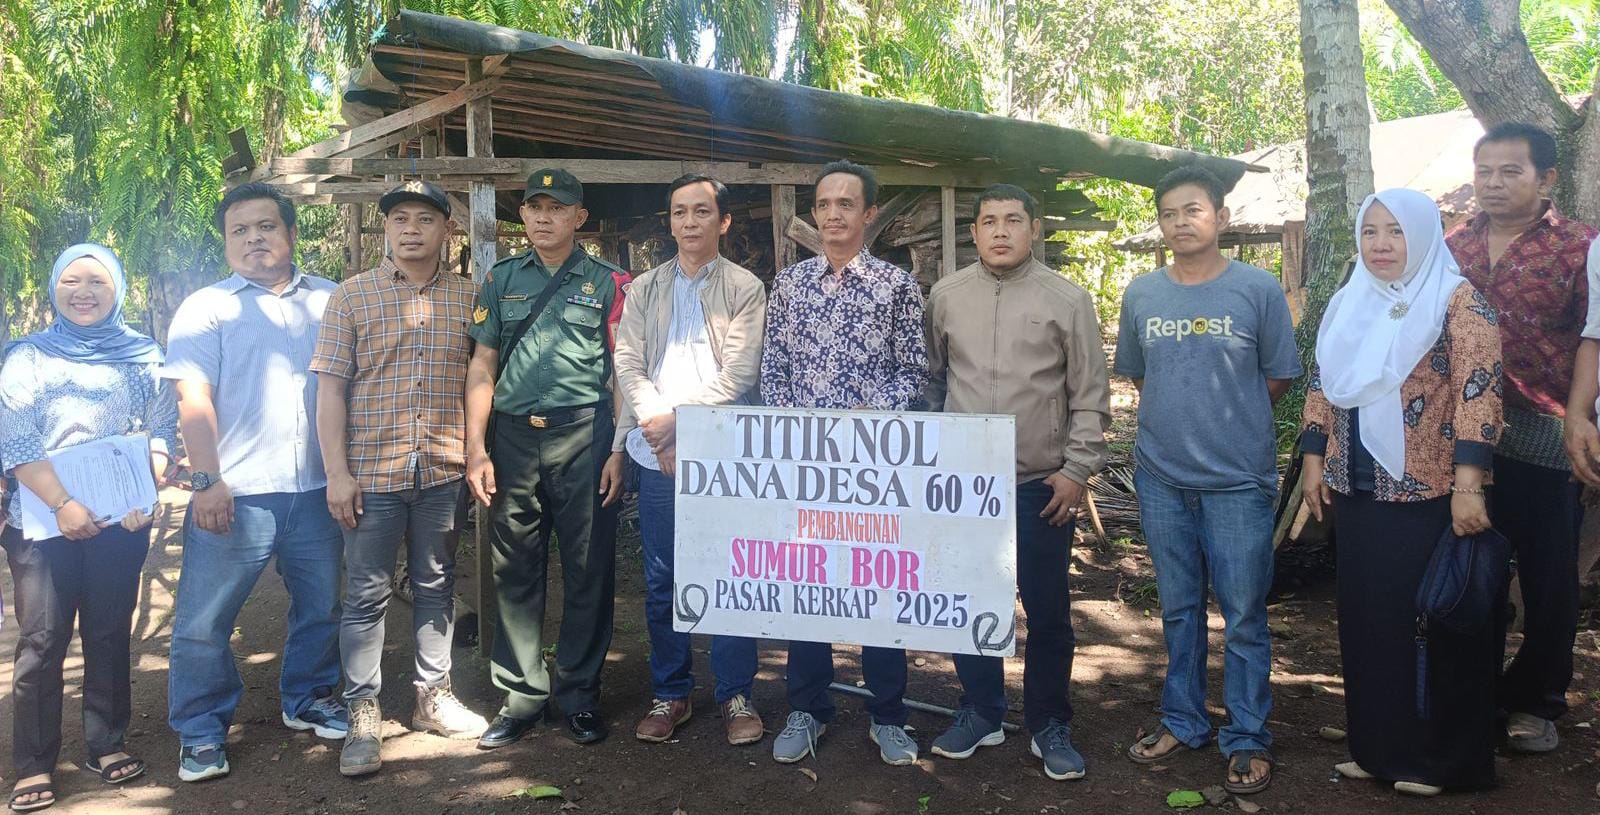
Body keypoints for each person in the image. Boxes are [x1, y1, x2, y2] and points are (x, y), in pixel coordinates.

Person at [1301, 188, 1502, 796]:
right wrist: (1314, 457)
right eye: (1371, 232)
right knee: (1368, 622)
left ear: (1423, 235)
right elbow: (1323, 380)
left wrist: (1469, 484)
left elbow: (1480, 392)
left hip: (1428, 490)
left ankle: (1438, 762)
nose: (1382, 245)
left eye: (1396, 232)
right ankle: (1378, 749)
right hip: (1358, 487)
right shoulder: (1350, 299)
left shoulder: (1457, 300)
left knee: (1432, 621)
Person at [1114, 166, 1300, 795]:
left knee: (1244, 614)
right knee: (1179, 609)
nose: (1180, 222)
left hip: (1238, 482)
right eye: (1168, 214)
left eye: (1192, 210)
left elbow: (1276, 377)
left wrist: (1230, 426)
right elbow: (1143, 379)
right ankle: (1183, 719)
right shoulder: (1142, 293)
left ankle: (1246, 735)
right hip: (1162, 478)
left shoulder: (1257, 289)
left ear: (1219, 217)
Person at [924, 184, 1110, 780]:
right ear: (973, 233)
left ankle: (1050, 721)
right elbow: (931, 382)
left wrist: (1076, 470)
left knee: (1048, 608)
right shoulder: (946, 296)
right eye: (988, 222)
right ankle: (980, 709)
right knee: (970, 603)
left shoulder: (1068, 299)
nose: (999, 231)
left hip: (1040, 485)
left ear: (1035, 229)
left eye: (1012, 220)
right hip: (965, 486)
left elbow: (1089, 396)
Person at [164, 183, 346, 782]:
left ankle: (310, 697)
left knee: (320, 605)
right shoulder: (206, 308)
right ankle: (200, 729)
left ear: (291, 234)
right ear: (226, 242)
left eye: (266, 226)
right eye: (239, 231)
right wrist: (206, 480)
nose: (254, 239)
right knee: (202, 620)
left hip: (319, 489)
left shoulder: (332, 300)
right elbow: (194, 397)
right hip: (236, 493)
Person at [311, 180, 490, 777]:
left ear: (448, 230)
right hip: (372, 473)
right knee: (365, 595)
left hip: (440, 471)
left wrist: (473, 455)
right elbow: (331, 388)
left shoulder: (470, 298)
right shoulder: (352, 297)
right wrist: (337, 473)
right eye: (399, 219)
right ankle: (363, 711)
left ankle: (431, 698)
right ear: (385, 229)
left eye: (425, 219)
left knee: (437, 584)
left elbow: (479, 379)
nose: (411, 229)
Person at [761, 160, 928, 766]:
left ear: (869, 214)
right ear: (814, 213)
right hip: (805, 467)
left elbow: (914, 373)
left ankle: (889, 715)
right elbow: (773, 370)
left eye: (846, 204)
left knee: (877, 587)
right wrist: (794, 429)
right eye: (824, 203)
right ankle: (808, 707)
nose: (833, 214)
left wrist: (868, 412)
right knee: (807, 589)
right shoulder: (791, 285)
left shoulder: (896, 287)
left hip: (873, 469)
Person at [0, 244, 176, 812]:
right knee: (42, 640)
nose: (84, 291)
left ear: (117, 289)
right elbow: (16, 438)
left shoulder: (142, 353)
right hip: (42, 521)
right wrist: (62, 504)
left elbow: (159, 429)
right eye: (71, 280)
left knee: (106, 631)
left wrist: (142, 494)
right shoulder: (26, 357)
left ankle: (106, 741)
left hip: (118, 521)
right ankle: (33, 761)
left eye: (97, 281)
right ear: (54, 287)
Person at [1444, 123, 1597, 753]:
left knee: (1548, 576)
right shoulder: (1450, 246)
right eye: (1485, 171)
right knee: (1468, 566)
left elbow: (1594, 335)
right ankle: (1472, 692)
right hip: (1458, 439)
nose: (1494, 183)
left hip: (1542, 433)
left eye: (1511, 171)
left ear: (1547, 179)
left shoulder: (1582, 248)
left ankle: (1536, 702)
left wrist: (1579, 415)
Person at [466, 168, 629, 748]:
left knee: (589, 567)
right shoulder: (501, 278)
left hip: (584, 436)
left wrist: (618, 449)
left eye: (555, 208)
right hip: (512, 439)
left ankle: (580, 694)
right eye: (533, 207)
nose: (542, 217)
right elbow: (482, 366)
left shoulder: (609, 283)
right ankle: (520, 697)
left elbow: (620, 374)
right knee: (513, 568)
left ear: (578, 218)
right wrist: (476, 449)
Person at [613, 174, 768, 745]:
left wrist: (677, 420)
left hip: (724, 453)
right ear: (670, 220)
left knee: (729, 574)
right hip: (658, 454)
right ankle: (671, 692)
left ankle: (735, 694)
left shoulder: (746, 287)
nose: (690, 222)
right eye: (680, 212)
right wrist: (655, 424)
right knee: (664, 579)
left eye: (702, 212)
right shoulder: (645, 288)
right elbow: (627, 362)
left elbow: (740, 374)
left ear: (723, 222)